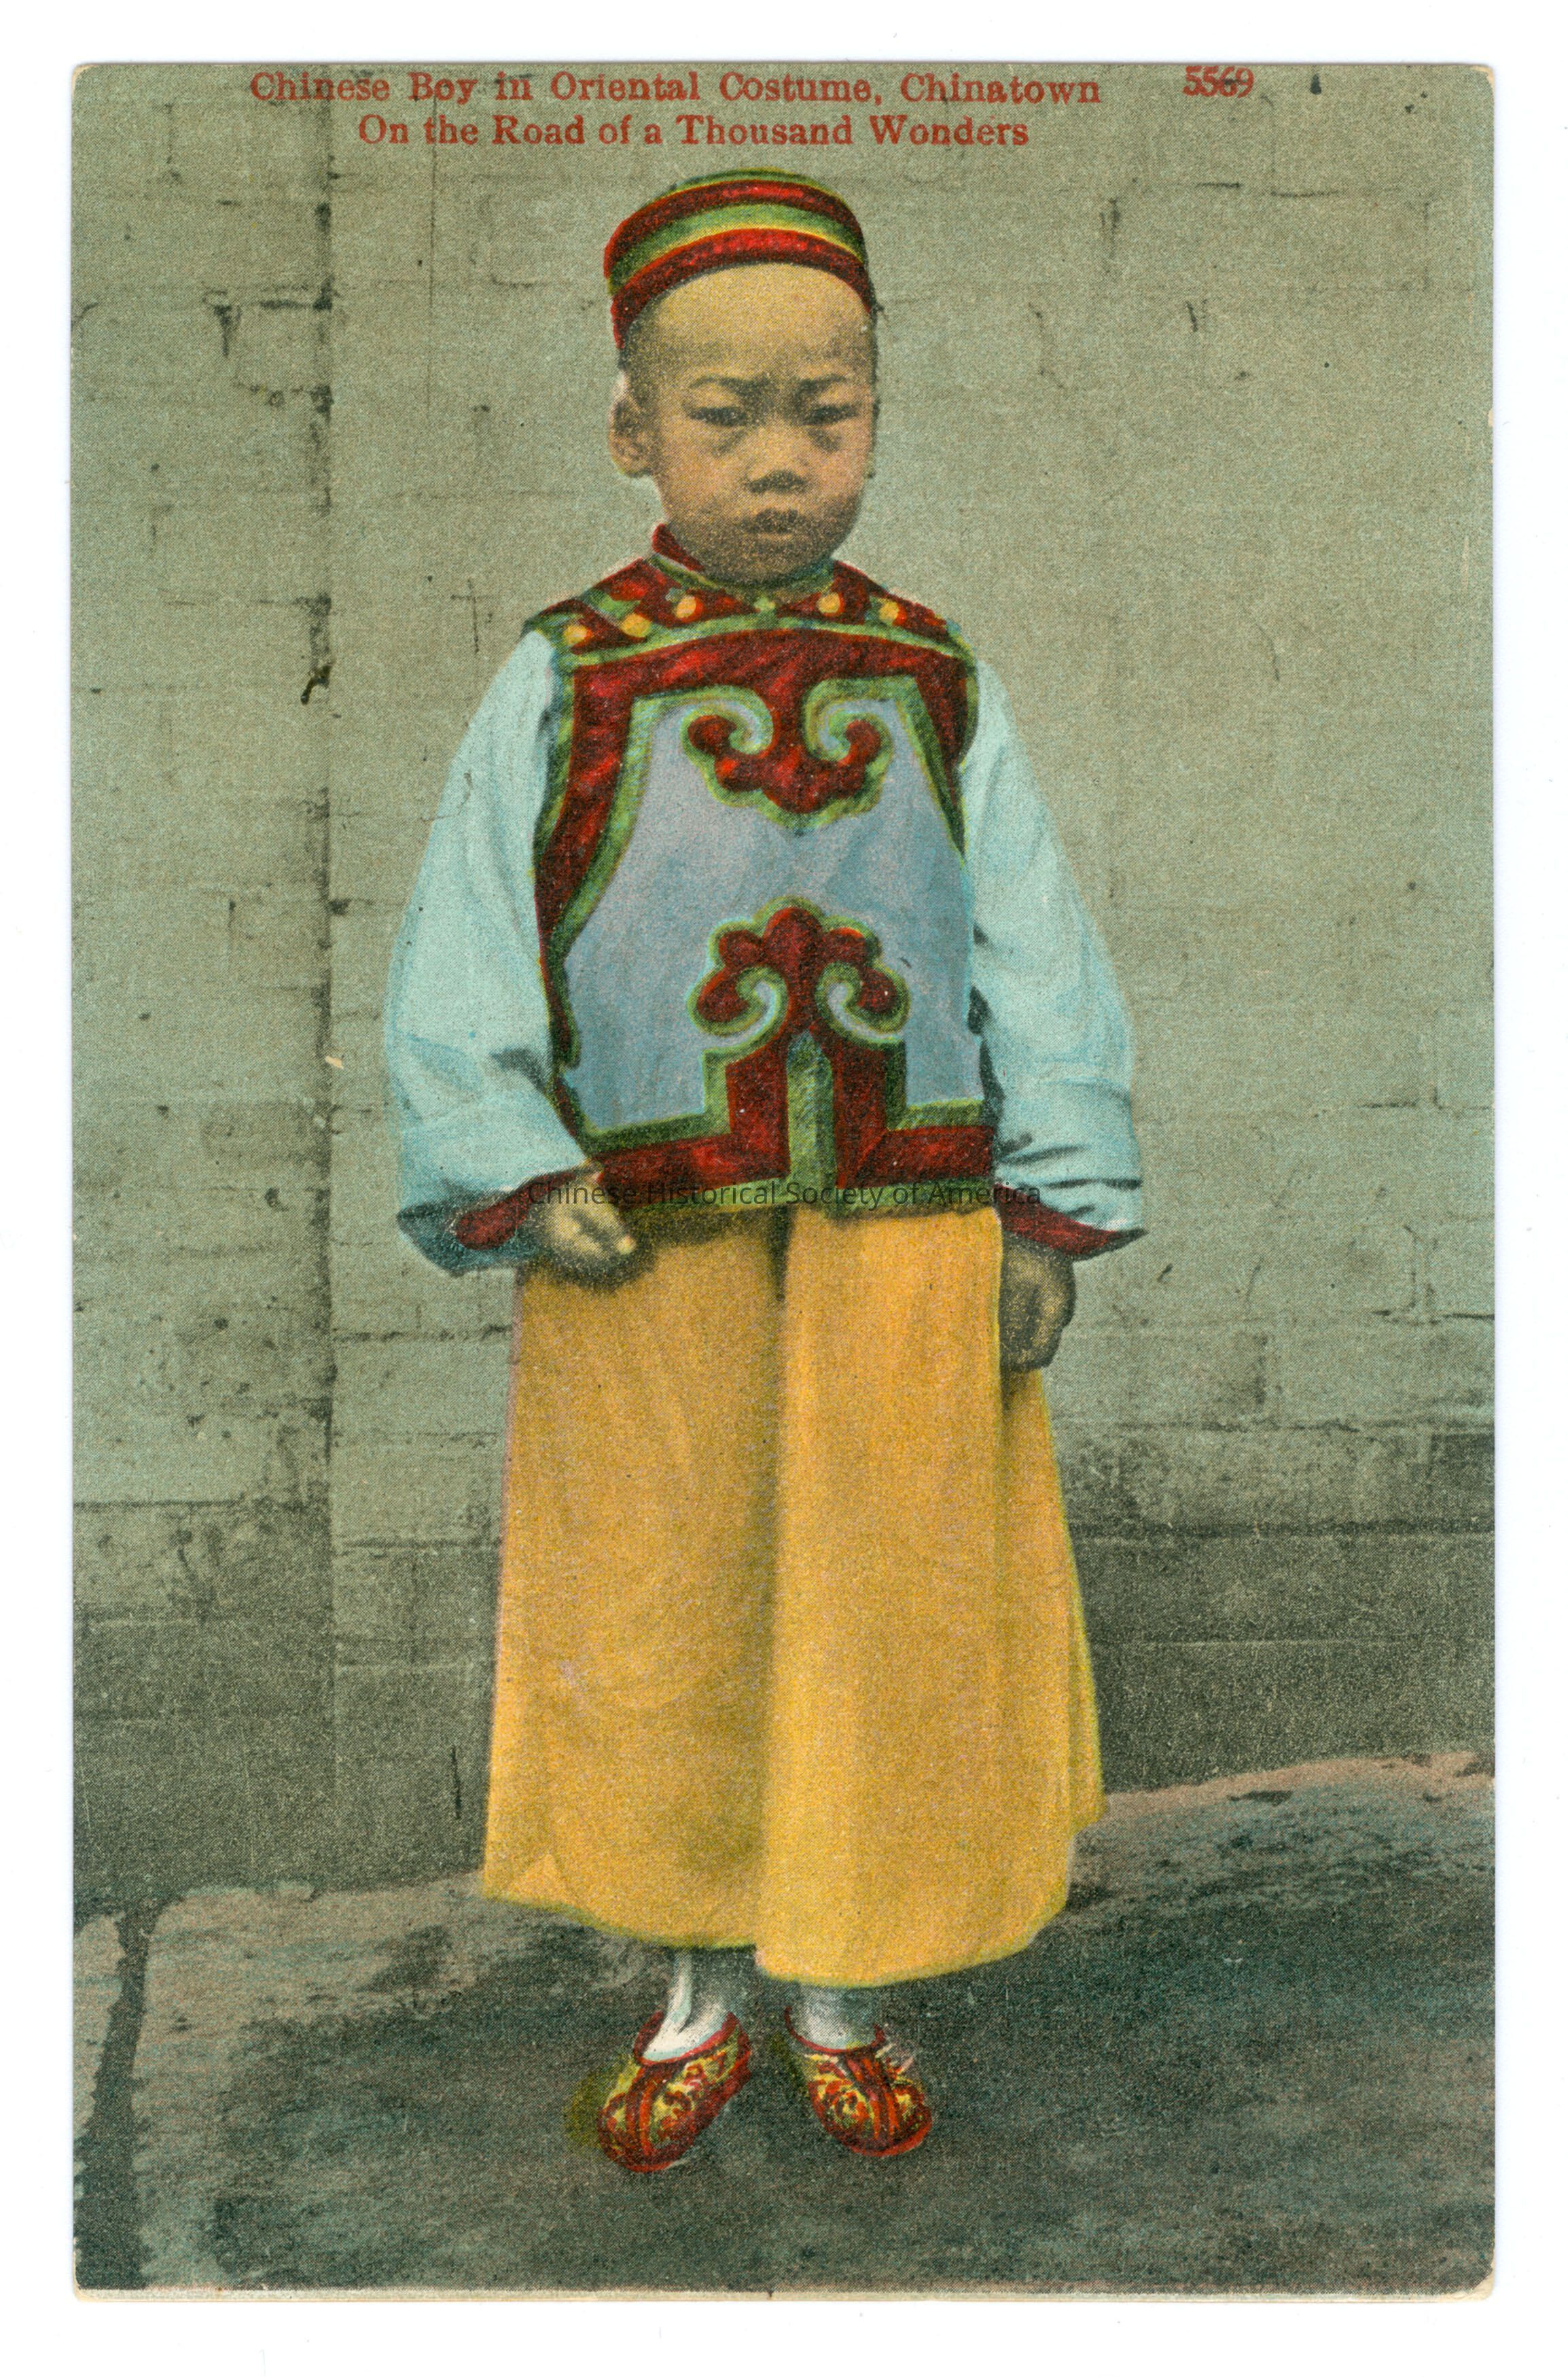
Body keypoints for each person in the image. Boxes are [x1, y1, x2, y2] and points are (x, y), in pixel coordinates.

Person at [385, 172, 1143, 2174]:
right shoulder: (568, 671)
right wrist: (509, 1156)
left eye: (831, 410)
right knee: (666, 1611)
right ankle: (697, 1996)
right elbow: (468, 937)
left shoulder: (932, 673)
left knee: (888, 1610)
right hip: (649, 1239)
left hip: (908, 1228)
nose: (783, 460)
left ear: (877, 415)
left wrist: (1049, 1203)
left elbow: (1034, 944)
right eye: (726, 417)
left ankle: (844, 1996)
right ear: (632, 427)